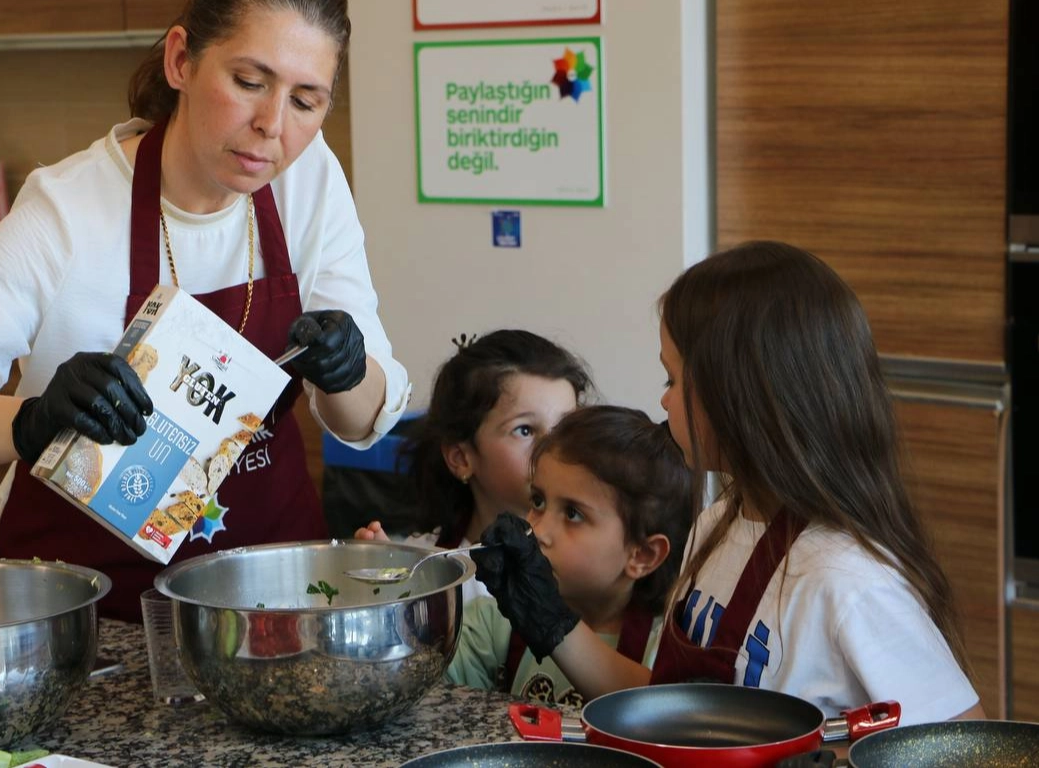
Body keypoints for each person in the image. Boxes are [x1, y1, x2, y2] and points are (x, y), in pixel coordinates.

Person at [0, 0, 410, 622]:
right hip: (79, 607)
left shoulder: (306, 177)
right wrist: (32, 422)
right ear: (181, 60)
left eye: (305, 99)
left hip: (266, 604)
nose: (273, 126)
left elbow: (361, 421)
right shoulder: (67, 208)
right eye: (249, 81)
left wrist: (348, 369)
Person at [475, 241, 985, 727]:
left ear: (740, 396)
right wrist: (553, 624)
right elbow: (674, 717)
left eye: (672, 381)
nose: (664, 403)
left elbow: (959, 741)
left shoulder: (845, 580)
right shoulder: (720, 523)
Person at [447, 406, 695, 706]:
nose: (538, 531)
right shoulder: (495, 623)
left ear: (642, 555)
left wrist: (553, 623)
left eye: (573, 514)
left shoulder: (668, 648)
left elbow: (665, 719)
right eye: (538, 501)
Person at [352, 329, 590, 602]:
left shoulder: (588, 562)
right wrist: (397, 592)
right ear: (461, 458)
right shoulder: (425, 565)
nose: (552, 449)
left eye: (565, 428)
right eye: (525, 431)